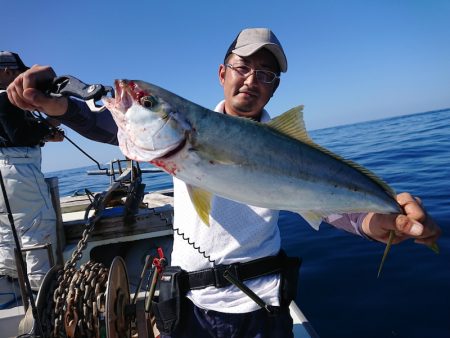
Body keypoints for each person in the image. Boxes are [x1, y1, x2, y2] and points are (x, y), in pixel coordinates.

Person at [7, 29, 441, 337]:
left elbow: (333, 205)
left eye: (266, 75)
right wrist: (55, 104)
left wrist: (380, 222)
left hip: (261, 308)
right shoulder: (181, 144)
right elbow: (106, 124)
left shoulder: (282, 148)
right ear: (222, 72)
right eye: (243, 67)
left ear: (272, 90)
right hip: (189, 308)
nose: (252, 79)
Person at [0, 51, 63, 301]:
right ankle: (44, 302)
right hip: (19, 171)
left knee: (7, 232)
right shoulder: (6, 98)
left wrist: (45, 134)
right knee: (36, 228)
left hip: (4, 174)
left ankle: (11, 298)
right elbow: (19, 136)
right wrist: (50, 126)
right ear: (6, 71)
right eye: (18, 73)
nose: (23, 80)